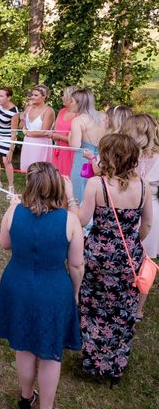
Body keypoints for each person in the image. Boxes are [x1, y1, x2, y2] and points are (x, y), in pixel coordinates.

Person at [0, 162, 84, 409]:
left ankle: (26, 397)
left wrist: (12, 208)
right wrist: (75, 291)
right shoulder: (70, 220)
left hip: (18, 285)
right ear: (58, 187)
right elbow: (76, 265)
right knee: (49, 352)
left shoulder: (14, 211)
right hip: (53, 289)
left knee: (24, 345)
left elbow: (5, 243)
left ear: (29, 185)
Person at [66, 134, 152, 385]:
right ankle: (115, 364)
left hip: (98, 255)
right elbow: (146, 223)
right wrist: (130, 241)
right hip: (128, 254)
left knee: (93, 305)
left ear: (108, 157)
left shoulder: (97, 185)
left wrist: (71, 199)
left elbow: (82, 220)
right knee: (123, 308)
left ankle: (93, 361)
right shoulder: (144, 185)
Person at [122, 114, 159, 320]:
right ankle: (122, 297)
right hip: (127, 207)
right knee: (126, 254)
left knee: (146, 260)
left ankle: (138, 308)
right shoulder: (127, 154)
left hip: (151, 208)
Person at [68, 89, 107, 204]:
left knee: (80, 191)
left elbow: (75, 146)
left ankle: (82, 219)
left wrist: (70, 135)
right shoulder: (104, 117)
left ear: (79, 103)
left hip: (83, 159)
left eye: (72, 101)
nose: (70, 104)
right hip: (102, 157)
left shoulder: (78, 120)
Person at [20, 84, 54, 172]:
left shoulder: (48, 111)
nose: (32, 97)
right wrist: (22, 118)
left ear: (44, 97)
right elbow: (21, 127)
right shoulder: (28, 109)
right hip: (28, 142)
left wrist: (28, 133)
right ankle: (28, 185)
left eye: (36, 95)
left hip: (40, 144)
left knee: (38, 170)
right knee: (27, 169)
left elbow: (44, 132)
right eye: (32, 95)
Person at [48, 86, 78, 177]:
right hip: (58, 149)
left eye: (64, 95)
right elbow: (56, 129)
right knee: (57, 176)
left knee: (68, 177)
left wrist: (58, 137)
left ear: (71, 98)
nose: (62, 98)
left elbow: (77, 139)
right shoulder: (62, 111)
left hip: (71, 152)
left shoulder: (79, 115)